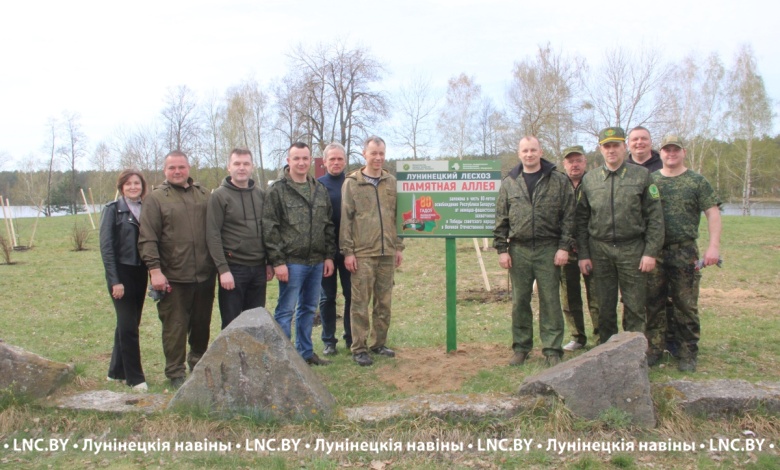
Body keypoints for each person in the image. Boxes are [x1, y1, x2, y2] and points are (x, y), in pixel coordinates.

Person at [575, 127, 664, 345]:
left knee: (634, 306)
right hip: (600, 250)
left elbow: (655, 218)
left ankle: (633, 354)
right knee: (604, 307)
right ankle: (606, 353)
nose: (611, 150)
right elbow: (581, 221)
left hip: (632, 249)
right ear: (600, 149)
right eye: (607, 146)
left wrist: (650, 252)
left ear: (624, 147)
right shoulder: (590, 180)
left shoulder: (641, 176)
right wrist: (583, 254)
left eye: (616, 145)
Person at [138, 151, 216, 389]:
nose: (177, 171)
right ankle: (175, 372)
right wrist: (155, 270)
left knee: (202, 324)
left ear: (188, 168)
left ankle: (198, 361)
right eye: (172, 168)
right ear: (165, 170)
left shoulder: (203, 195)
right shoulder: (155, 199)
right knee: (175, 327)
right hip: (173, 275)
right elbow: (147, 238)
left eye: (181, 167)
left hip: (204, 273)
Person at [494, 136, 574, 367]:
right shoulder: (510, 182)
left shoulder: (558, 180)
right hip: (519, 249)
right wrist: (502, 249)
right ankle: (521, 347)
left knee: (550, 300)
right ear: (519, 153)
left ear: (541, 152)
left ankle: (552, 349)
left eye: (533, 150)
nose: (529, 154)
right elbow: (501, 218)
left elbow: (569, 217)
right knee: (520, 301)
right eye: (525, 151)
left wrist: (563, 247)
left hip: (549, 249)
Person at [645, 135, 721, 372]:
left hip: (684, 251)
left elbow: (713, 212)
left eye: (675, 150)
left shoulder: (696, 181)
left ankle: (687, 352)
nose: (671, 154)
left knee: (685, 304)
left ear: (683, 152)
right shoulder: (651, 181)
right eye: (666, 150)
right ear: (661, 153)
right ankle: (654, 349)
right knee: (653, 303)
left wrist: (713, 247)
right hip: (655, 252)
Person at [263, 142, 336, 366]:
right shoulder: (278, 190)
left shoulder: (319, 189)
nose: (301, 163)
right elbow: (270, 227)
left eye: (305, 158)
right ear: (288, 160)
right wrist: (278, 262)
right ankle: (283, 359)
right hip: (291, 263)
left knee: (308, 309)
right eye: (296, 158)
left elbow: (328, 225)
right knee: (285, 311)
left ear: (310, 160)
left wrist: (329, 256)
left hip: (316, 261)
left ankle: (305, 353)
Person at [341, 136, 404, 367]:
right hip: (363, 253)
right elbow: (346, 220)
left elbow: (398, 216)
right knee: (360, 303)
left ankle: (379, 343)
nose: (378, 158)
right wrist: (348, 251)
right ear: (364, 154)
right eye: (373, 153)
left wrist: (398, 246)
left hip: (387, 252)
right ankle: (359, 347)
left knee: (384, 302)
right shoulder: (352, 183)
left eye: (381, 153)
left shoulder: (391, 182)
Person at [206, 148, 273, 330]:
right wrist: (223, 269)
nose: (241, 168)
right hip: (234, 269)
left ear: (252, 167)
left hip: (258, 269)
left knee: (255, 322)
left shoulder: (260, 195)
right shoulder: (219, 196)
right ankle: (232, 359)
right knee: (232, 324)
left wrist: (269, 262)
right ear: (229, 167)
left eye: (246, 163)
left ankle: (251, 359)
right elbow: (212, 234)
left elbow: (267, 230)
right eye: (237, 163)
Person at [100, 169, 149, 391]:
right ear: (121, 187)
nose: (132, 187)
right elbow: (107, 248)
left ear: (142, 186)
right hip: (121, 273)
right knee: (129, 326)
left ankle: (115, 371)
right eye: (128, 184)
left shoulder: (146, 209)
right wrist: (114, 281)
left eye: (136, 183)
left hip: (140, 273)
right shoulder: (112, 210)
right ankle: (135, 377)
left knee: (128, 323)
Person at [559, 146, 600, 351]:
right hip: (566, 249)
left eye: (578, 160)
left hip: (591, 248)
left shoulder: (595, 182)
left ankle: (601, 336)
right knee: (569, 296)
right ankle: (577, 337)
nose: (574, 165)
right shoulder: (558, 184)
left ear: (585, 162)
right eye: (570, 161)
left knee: (596, 296)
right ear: (564, 164)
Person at [318, 142, 352, 355]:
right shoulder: (318, 186)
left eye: (340, 158)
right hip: (326, 252)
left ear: (345, 161)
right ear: (324, 162)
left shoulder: (353, 183)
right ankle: (329, 340)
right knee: (327, 297)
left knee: (351, 296)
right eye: (332, 159)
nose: (336, 162)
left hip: (350, 250)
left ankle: (352, 338)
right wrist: (324, 255)